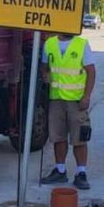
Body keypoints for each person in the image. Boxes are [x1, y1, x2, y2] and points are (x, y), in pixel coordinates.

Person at [40, 31, 96, 189]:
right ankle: (60, 170)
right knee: (58, 137)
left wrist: (87, 96)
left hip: (76, 101)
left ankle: (81, 173)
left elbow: (91, 71)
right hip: (56, 99)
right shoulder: (49, 43)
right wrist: (45, 74)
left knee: (79, 138)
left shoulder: (81, 44)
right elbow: (45, 67)